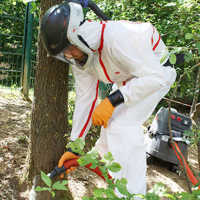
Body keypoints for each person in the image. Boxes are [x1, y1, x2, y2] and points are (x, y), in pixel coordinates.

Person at [40, 0, 176, 197]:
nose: (68, 55)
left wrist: (114, 99)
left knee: (123, 125)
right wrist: (75, 145)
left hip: (157, 73)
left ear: (78, 35)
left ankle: (132, 193)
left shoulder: (117, 38)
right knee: (111, 122)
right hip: (127, 78)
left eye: (68, 48)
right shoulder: (80, 57)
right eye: (63, 53)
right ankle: (107, 163)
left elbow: (156, 77)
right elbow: (85, 99)